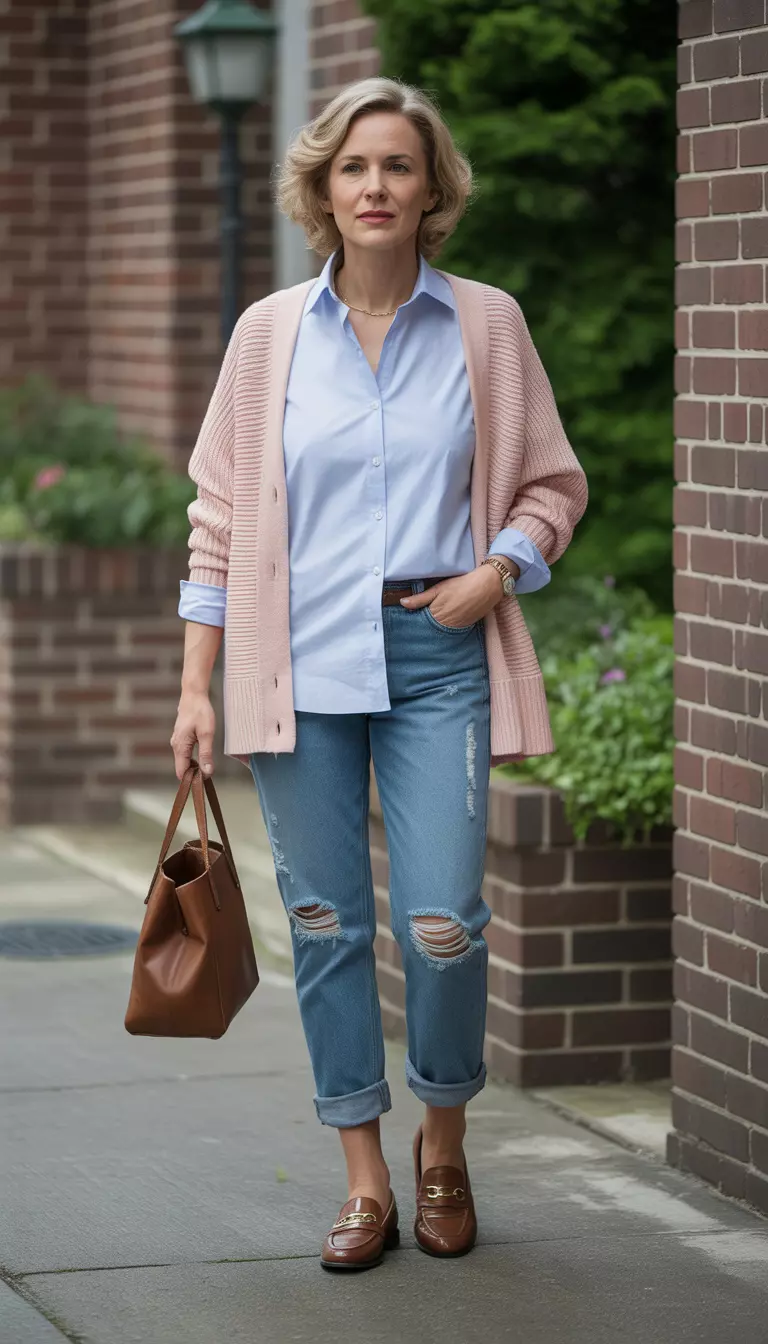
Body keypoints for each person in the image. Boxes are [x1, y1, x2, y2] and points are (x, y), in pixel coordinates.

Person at [171, 76, 587, 1272]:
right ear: (323, 187)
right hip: (292, 658)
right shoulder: (267, 336)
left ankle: (442, 1144)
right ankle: (362, 1176)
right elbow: (219, 519)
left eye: (398, 166)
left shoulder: (487, 327)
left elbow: (552, 486)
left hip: (435, 645)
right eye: (355, 168)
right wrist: (197, 689)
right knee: (325, 923)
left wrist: (497, 573)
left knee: (445, 922)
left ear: (430, 190)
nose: (375, 187)